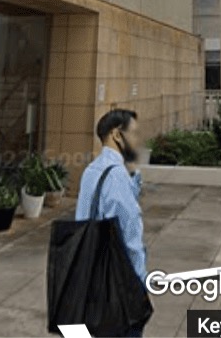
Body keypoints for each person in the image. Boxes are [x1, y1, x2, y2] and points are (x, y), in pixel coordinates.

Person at [76, 109, 147, 337]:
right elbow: (129, 235)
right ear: (117, 135)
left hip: (92, 275)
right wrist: (140, 282)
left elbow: (85, 217)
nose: (138, 141)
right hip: (119, 285)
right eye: (134, 134)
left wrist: (133, 175)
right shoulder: (116, 175)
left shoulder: (91, 171)